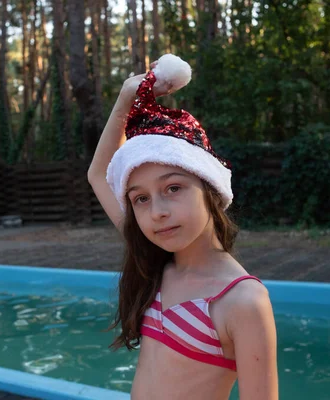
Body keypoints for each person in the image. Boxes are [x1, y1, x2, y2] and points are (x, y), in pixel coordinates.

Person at [87, 54, 278, 400]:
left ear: (209, 187)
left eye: (173, 188)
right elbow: (99, 174)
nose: (157, 211)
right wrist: (126, 99)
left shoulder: (242, 301)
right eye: (140, 198)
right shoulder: (156, 264)